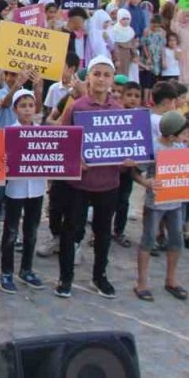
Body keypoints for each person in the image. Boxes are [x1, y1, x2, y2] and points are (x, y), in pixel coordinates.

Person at [54, 56, 127, 300]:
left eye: (106, 75)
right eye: (97, 74)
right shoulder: (76, 107)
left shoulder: (119, 110)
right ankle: (65, 278)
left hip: (108, 182)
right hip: (78, 184)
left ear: (112, 79)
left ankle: (100, 276)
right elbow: (64, 142)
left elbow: (126, 144)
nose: (101, 79)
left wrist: (129, 158)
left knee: (103, 233)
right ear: (89, 78)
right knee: (70, 231)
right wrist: (75, 159)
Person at [130, 111, 189, 302]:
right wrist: (146, 183)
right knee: (148, 240)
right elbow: (135, 171)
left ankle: (171, 279)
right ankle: (141, 282)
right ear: (172, 136)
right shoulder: (153, 148)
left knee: (176, 240)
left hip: (175, 202)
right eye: (182, 133)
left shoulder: (180, 147)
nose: (185, 136)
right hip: (155, 203)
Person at [0, 89, 47, 295]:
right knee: (11, 231)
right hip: (15, 189)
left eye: (30, 106)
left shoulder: (43, 133)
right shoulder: (9, 132)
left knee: (32, 231)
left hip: (36, 189)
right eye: (23, 106)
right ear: (15, 109)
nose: (27, 110)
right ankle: (6, 272)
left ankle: (26, 269)